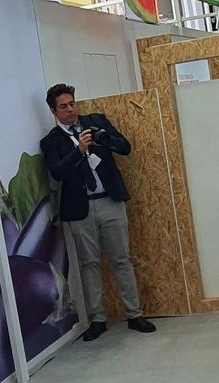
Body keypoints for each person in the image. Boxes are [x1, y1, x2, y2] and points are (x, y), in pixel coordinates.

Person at [39, 84, 155, 341]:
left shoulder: (96, 122)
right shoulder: (51, 142)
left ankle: (134, 314)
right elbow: (58, 172)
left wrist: (105, 139)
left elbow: (125, 147)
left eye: (72, 104)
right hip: (81, 209)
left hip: (110, 201)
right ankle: (98, 319)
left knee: (121, 259)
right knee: (89, 264)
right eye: (63, 106)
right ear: (53, 111)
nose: (70, 110)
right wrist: (78, 150)